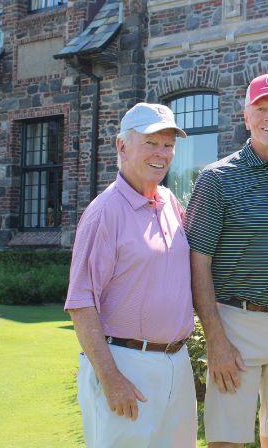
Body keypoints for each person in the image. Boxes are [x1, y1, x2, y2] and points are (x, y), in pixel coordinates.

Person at [186, 74, 268, 447]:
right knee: (227, 438)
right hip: (235, 323)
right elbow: (198, 261)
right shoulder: (216, 179)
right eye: (261, 108)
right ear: (246, 117)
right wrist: (215, 339)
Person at [64, 102, 196, 447]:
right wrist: (110, 378)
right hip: (125, 367)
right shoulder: (103, 213)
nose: (161, 153)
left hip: (177, 365)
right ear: (121, 146)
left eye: (168, 144)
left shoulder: (170, 202)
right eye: (150, 142)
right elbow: (81, 302)